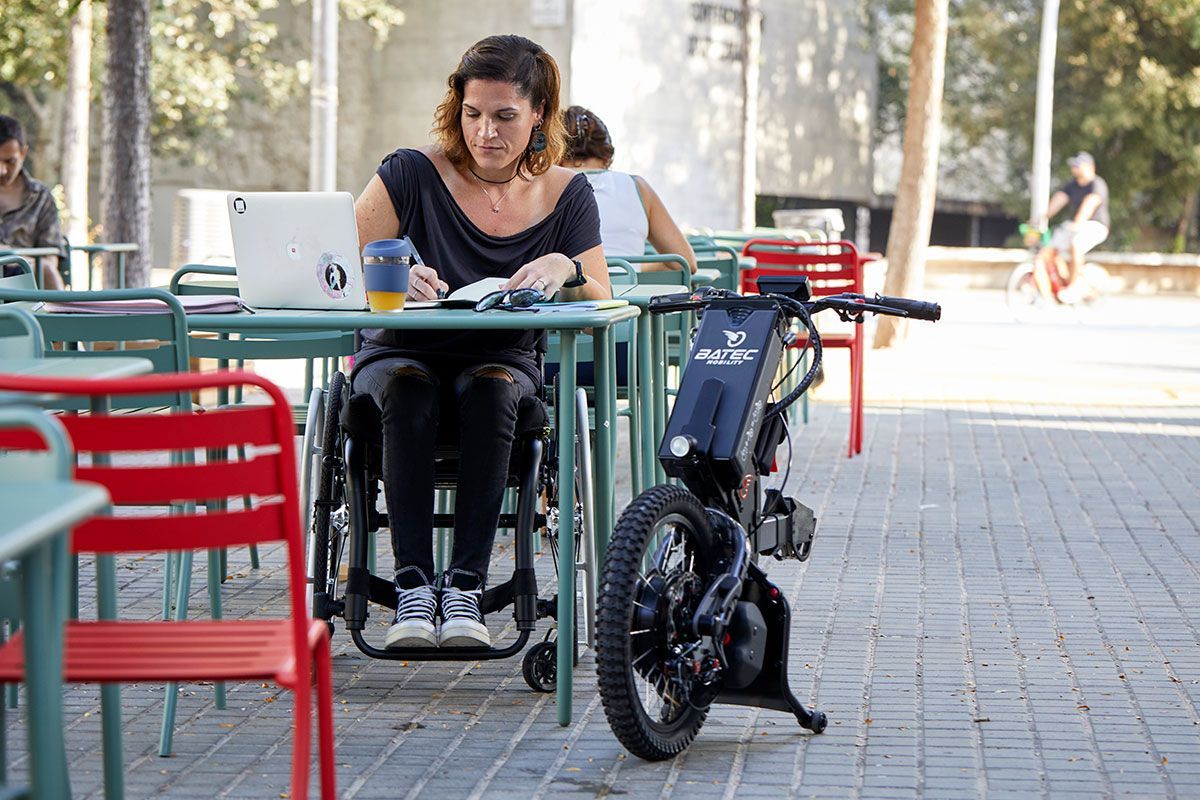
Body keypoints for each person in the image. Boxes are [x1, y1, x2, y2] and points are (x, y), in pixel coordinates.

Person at [352, 35, 611, 649]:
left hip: (502, 366)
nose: (485, 133)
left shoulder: (567, 194)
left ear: (539, 115)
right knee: (409, 388)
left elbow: (598, 289)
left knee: (492, 390)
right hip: (397, 356)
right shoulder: (410, 174)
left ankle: (466, 586)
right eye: (472, 114)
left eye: (504, 117)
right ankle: (414, 588)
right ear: (456, 108)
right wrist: (386, 274)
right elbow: (333, 264)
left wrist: (562, 269)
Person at [560, 105, 696, 274]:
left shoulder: (550, 187)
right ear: (607, 154)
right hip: (632, 297)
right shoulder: (638, 187)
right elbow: (687, 263)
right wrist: (632, 269)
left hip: (575, 297)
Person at [1032, 151, 1109, 303]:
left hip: (1095, 225)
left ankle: (1074, 287)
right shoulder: (1072, 186)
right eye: (1074, 165)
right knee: (1050, 249)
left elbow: (1090, 203)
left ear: (1091, 167)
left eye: (1079, 165)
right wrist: (1042, 218)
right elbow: (1058, 200)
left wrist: (1079, 222)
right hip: (1075, 224)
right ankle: (1056, 285)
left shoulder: (1097, 184)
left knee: (1076, 244)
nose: (1075, 168)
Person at [0, 114, 65, 290]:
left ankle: (64, 315)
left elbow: (51, 258)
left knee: (46, 269)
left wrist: (14, 257)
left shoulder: (41, 196)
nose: (2, 170)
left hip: (24, 280)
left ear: (23, 153)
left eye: (9, 161)